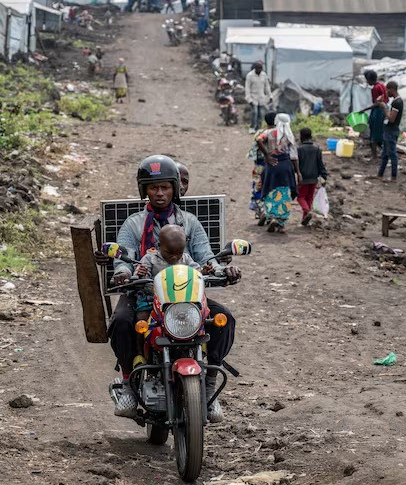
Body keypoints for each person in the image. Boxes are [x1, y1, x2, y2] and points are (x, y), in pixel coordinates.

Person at [106, 155, 238, 421]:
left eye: (165, 187)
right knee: (121, 322)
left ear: (175, 188)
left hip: (185, 296)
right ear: (144, 190)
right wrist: (124, 275)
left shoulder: (189, 222)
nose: (159, 193)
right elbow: (123, 261)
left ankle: (209, 384)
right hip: (143, 294)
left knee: (225, 320)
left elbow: (206, 257)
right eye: (153, 188)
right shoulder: (133, 223)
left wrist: (224, 271)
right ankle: (130, 383)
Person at [256, 113, 301, 234]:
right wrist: (298, 172)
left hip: (272, 165)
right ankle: (281, 223)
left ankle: (272, 217)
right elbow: (294, 156)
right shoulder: (289, 135)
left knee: (271, 191)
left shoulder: (269, 132)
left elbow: (258, 139)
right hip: (285, 166)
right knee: (285, 193)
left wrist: (267, 155)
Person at [248, 111, 277, 224]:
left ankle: (260, 211)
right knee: (271, 188)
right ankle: (270, 211)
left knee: (257, 187)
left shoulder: (259, 133)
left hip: (259, 165)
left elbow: (253, 151)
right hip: (272, 164)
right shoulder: (276, 133)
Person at [296, 128, 327, 226]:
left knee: (300, 197)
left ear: (302, 137)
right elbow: (320, 164)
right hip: (314, 178)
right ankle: (305, 219)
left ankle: (307, 211)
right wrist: (324, 176)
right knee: (309, 197)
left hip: (303, 177)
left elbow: (296, 164)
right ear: (311, 136)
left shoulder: (299, 149)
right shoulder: (317, 148)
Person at [378, 81, 404, 182]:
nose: (386, 92)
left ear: (391, 89)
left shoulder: (397, 102)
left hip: (391, 131)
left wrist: (384, 108)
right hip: (388, 130)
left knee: (392, 154)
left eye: (387, 90)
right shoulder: (395, 101)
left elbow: (391, 119)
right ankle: (380, 174)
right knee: (385, 153)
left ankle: (393, 177)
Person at [364, 70, 387, 160]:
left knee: (373, 134)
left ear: (369, 80)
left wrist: (364, 110)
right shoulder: (382, 85)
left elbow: (377, 103)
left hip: (378, 112)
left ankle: (375, 157)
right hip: (382, 111)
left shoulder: (375, 88)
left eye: (367, 80)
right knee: (380, 132)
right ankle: (383, 153)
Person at [245, 61, 271, 134]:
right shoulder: (250, 75)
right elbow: (247, 88)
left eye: (261, 69)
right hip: (253, 97)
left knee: (261, 114)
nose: (259, 70)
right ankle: (252, 127)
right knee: (254, 113)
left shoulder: (264, 75)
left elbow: (267, 86)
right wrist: (248, 98)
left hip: (261, 97)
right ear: (255, 68)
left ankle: (258, 128)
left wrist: (270, 95)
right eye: (258, 68)